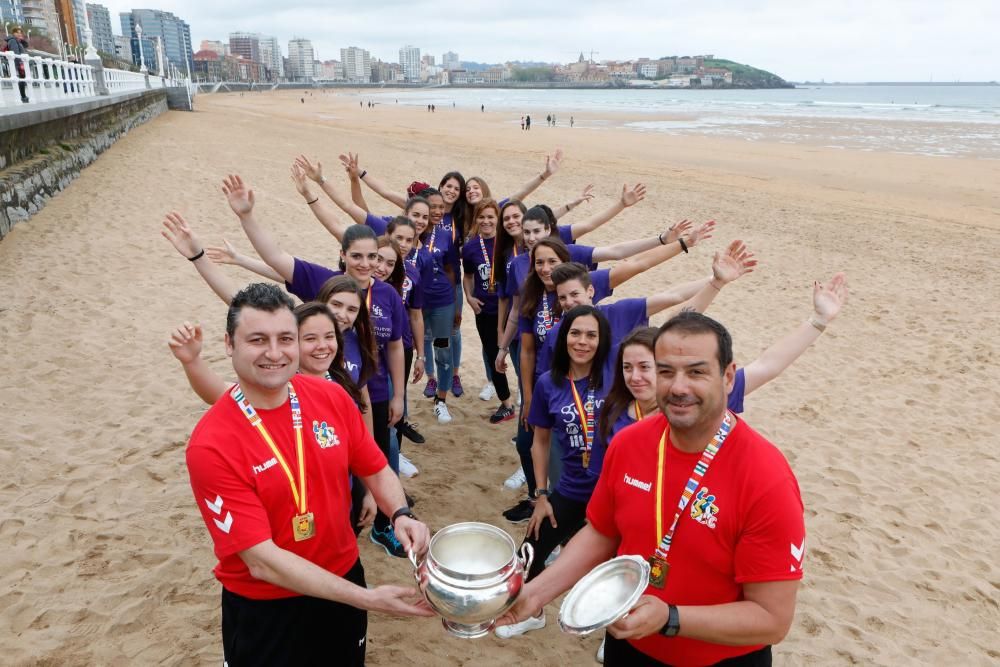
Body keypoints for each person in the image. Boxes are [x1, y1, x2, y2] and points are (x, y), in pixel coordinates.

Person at [497, 311, 806, 666]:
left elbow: (772, 620)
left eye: (696, 372)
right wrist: (534, 595)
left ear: (729, 377)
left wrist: (671, 618)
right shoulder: (629, 443)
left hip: (719, 659)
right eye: (665, 371)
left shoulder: (766, 478)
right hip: (628, 647)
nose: (677, 387)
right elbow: (601, 533)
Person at [183, 283, 434, 666]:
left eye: (285, 338)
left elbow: (376, 467)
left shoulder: (330, 397)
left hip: (344, 579)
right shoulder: (211, 445)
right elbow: (261, 561)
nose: (274, 352)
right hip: (266, 605)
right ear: (229, 344)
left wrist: (400, 513)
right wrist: (367, 598)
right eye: (257, 339)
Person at [462, 198, 516, 424]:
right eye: (481, 217)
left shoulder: (508, 243)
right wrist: (469, 298)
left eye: (490, 217)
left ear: (498, 219)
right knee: (495, 356)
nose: (486, 221)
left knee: (521, 353)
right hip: (485, 311)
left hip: (512, 310)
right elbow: (468, 276)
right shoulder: (470, 247)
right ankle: (506, 404)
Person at [5, 26, 29, 103]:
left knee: (22, 79)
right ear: (13, 33)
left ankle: (23, 96)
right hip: (18, 63)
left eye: (20, 32)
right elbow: (16, 53)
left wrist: (21, 40)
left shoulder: (17, 41)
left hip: (19, 63)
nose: (19, 34)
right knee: (21, 80)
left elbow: (26, 46)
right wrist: (20, 64)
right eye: (17, 32)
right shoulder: (12, 41)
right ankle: (23, 96)